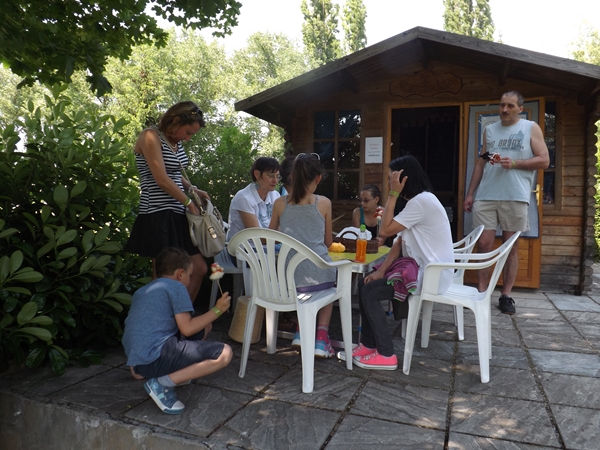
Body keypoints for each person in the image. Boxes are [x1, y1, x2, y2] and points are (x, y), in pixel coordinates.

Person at [348, 155, 454, 370]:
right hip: (423, 270)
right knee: (365, 283)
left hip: (431, 275)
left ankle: (386, 354)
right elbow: (397, 243)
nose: (389, 182)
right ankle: (369, 345)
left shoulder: (422, 202)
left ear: (404, 179)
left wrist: (393, 194)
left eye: (391, 178)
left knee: (370, 292)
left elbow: (385, 231)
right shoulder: (419, 201)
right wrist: (380, 272)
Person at [463, 90, 549, 315]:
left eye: (510, 106)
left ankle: (506, 295)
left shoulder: (530, 127)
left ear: (520, 108)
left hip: (515, 195)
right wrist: (470, 193)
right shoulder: (490, 129)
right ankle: (482, 292)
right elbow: (481, 163)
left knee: (510, 247)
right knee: (484, 244)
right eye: (502, 105)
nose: (504, 109)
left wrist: (516, 164)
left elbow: (544, 160)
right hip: (486, 195)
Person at [123, 247, 232, 414]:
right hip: (156, 356)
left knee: (205, 326)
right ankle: (162, 385)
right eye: (190, 275)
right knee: (224, 353)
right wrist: (218, 310)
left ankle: (169, 372)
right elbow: (187, 329)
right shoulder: (176, 287)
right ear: (180, 274)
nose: (189, 280)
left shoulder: (143, 291)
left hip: (138, 363)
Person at [125, 101, 209, 304]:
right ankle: (159, 321)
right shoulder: (150, 136)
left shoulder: (174, 142)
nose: (188, 138)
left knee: (199, 269)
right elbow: (161, 178)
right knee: (164, 278)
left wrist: (193, 189)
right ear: (176, 120)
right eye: (188, 132)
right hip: (158, 214)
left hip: (177, 213)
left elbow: (174, 173)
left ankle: (181, 319)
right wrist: (190, 203)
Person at [269, 152, 337, 358]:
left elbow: (270, 236)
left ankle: (300, 332)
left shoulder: (280, 203)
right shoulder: (324, 203)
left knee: (303, 284)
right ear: (318, 178)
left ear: (292, 177)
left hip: (288, 277)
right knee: (331, 286)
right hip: (319, 275)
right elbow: (328, 243)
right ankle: (321, 339)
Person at [226, 157, 281, 241]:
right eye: (271, 175)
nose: (275, 180)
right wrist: (288, 240)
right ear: (257, 174)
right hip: (246, 248)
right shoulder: (244, 198)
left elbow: (281, 226)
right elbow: (257, 237)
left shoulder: (275, 195)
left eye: (277, 176)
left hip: (269, 246)